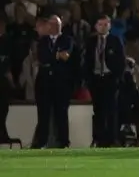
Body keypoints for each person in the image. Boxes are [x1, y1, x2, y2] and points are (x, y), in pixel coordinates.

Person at [33, 15, 74, 149]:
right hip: (44, 83)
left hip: (61, 83)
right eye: (50, 24)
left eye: (56, 24)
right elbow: (42, 57)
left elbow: (66, 56)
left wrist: (52, 56)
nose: (53, 26)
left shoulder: (67, 40)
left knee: (61, 113)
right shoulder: (42, 41)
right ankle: (42, 142)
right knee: (43, 114)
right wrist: (57, 55)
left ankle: (63, 142)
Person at [84, 15, 125, 147]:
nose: (103, 27)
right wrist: (88, 79)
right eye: (100, 24)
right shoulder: (91, 41)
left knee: (111, 109)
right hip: (96, 79)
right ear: (96, 26)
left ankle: (112, 139)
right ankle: (98, 139)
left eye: (105, 24)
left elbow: (121, 61)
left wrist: (117, 78)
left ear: (110, 26)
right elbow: (87, 61)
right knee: (98, 110)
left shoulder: (115, 40)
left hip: (110, 78)